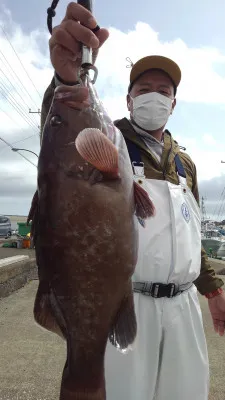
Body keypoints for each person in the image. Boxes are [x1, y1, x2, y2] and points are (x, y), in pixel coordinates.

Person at [41, 3, 225, 399]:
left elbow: (191, 233)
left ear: (174, 104)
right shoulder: (110, 142)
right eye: (144, 90)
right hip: (126, 302)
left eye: (163, 92)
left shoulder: (185, 163)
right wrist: (65, 78)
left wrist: (212, 291)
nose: (154, 97)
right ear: (128, 100)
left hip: (183, 307)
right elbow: (60, 145)